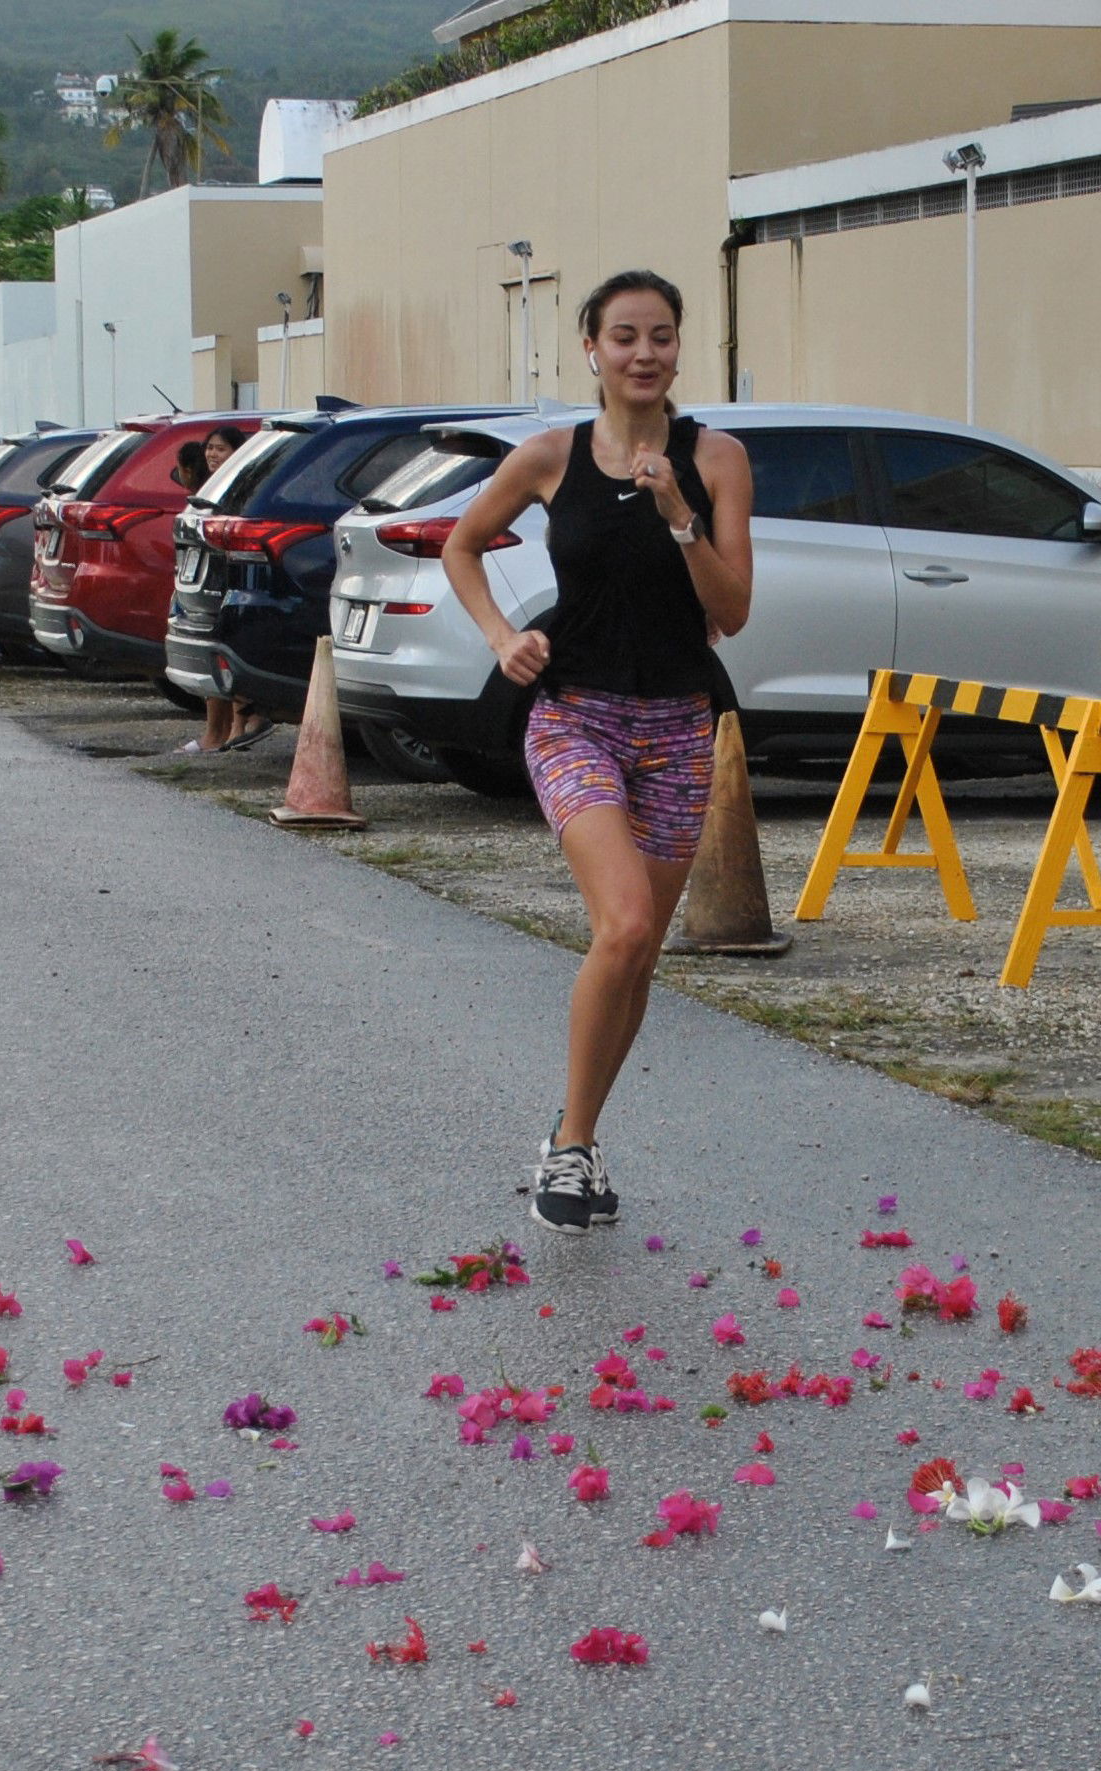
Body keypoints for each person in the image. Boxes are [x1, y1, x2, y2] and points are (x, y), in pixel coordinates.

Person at [443, 269, 753, 1236]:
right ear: (591, 348)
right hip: (574, 712)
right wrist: (501, 637)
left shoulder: (717, 459)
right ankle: (570, 1149)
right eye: (624, 336)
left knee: (638, 955)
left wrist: (677, 515)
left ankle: (577, 1132)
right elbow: (461, 545)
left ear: (677, 348)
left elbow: (732, 610)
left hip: (674, 724)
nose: (644, 353)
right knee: (620, 925)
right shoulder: (546, 456)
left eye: (661, 336)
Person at [173, 426, 277, 756]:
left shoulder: (244, 485)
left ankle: (237, 723)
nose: (213, 454)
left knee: (229, 645)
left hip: (233, 575)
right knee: (211, 647)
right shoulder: (210, 487)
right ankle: (215, 731)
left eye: (220, 448)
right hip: (204, 579)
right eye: (210, 448)